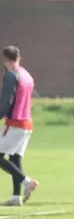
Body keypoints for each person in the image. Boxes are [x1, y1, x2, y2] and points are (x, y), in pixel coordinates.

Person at [0, 46, 39, 206]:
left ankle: (27, 182)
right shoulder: (27, 75)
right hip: (27, 123)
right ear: (19, 58)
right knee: (15, 158)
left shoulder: (11, 75)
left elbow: (7, 101)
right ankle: (16, 197)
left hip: (15, 122)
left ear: (5, 59)